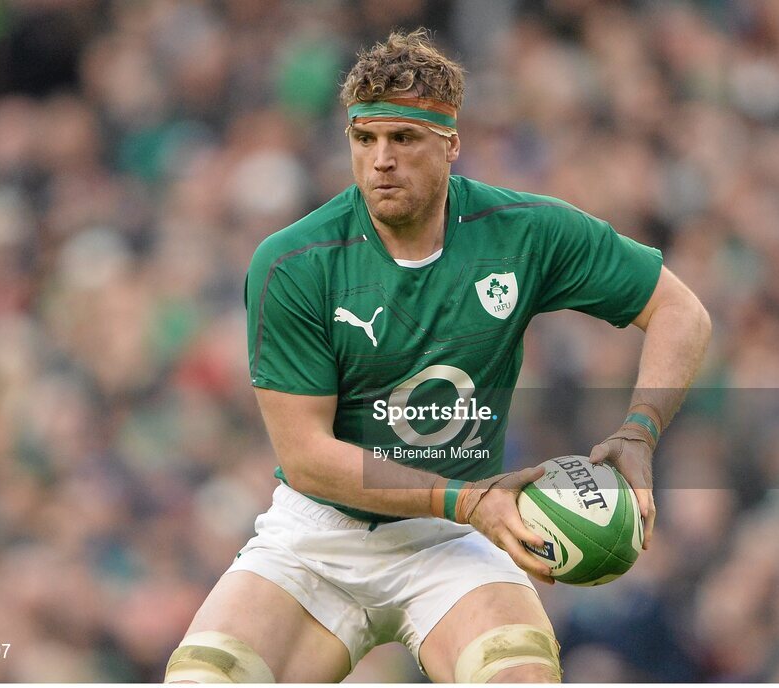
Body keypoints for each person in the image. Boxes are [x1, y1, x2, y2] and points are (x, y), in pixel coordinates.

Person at [165, 28, 710, 684]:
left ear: (451, 143)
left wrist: (639, 432)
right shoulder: (294, 262)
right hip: (319, 537)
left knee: (519, 679)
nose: (381, 160)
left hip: (455, 541)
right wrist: (467, 501)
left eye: (403, 138)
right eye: (364, 139)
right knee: (204, 677)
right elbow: (306, 457)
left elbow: (681, 312)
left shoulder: (524, 233)